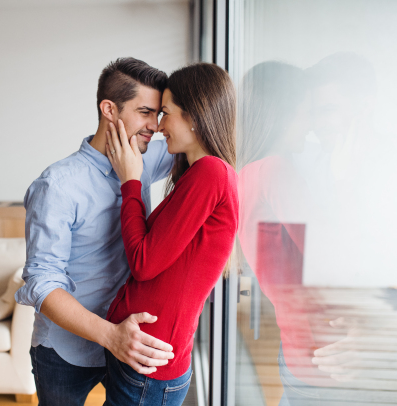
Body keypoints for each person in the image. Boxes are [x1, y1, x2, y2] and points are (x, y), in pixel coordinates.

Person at [14, 57, 175, 406]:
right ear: (109, 109)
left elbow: (198, 145)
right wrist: (111, 336)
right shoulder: (57, 185)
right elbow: (42, 282)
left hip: (128, 337)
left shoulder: (145, 156)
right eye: (146, 112)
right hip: (65, 350)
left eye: (159, 114)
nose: (156, 126)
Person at [103, 62, 239, 405]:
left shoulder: (211, 172)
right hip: (141, 358)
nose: (160, 126)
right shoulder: (198, 173)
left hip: (148, 368)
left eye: (165, 113)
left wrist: (131, 182)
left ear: (194, 115)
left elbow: (144, 263)